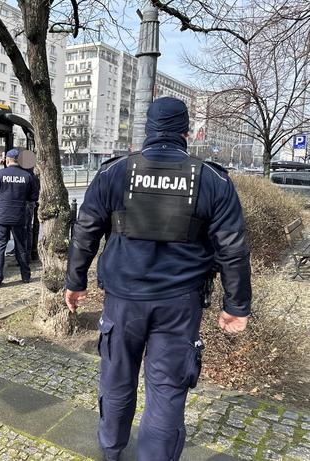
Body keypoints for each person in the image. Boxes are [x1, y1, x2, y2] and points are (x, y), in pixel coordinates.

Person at [64, 97, 251, 461]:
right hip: (179, 305)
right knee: (166, 392)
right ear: (185, 132)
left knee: (117, 381)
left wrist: (75, 281)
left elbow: (85, 230)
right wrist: (236, 306)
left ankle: (112, 453)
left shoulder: (113, 173)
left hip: (123, 302)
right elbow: (233, 248)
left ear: (146, 130)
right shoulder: (212, 179)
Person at [0, 148, 39, 288]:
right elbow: (34, 196)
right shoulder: (27, 176)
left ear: (8, 160)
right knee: (21, 246)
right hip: (19, 216)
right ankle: (25, 276)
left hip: (1, 216)